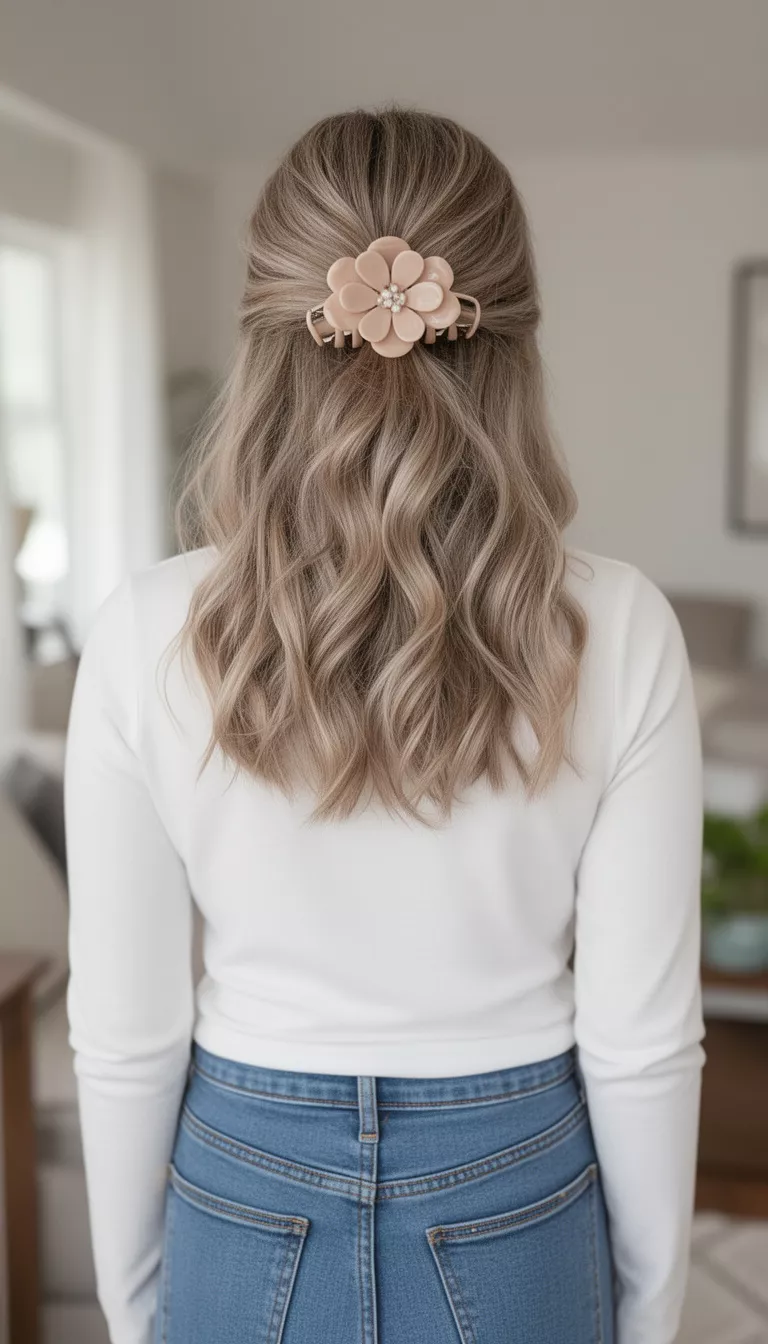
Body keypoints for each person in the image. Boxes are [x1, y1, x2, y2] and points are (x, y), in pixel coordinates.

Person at [64, 107, 705, 1344]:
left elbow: (124, 1032)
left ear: (269, 335)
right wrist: (654, 1304)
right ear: (512, 343)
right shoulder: (620, 626)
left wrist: (133, 1293)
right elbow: (643, 1044)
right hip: (519, 1188)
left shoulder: (145, 627)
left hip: (240, 1187)